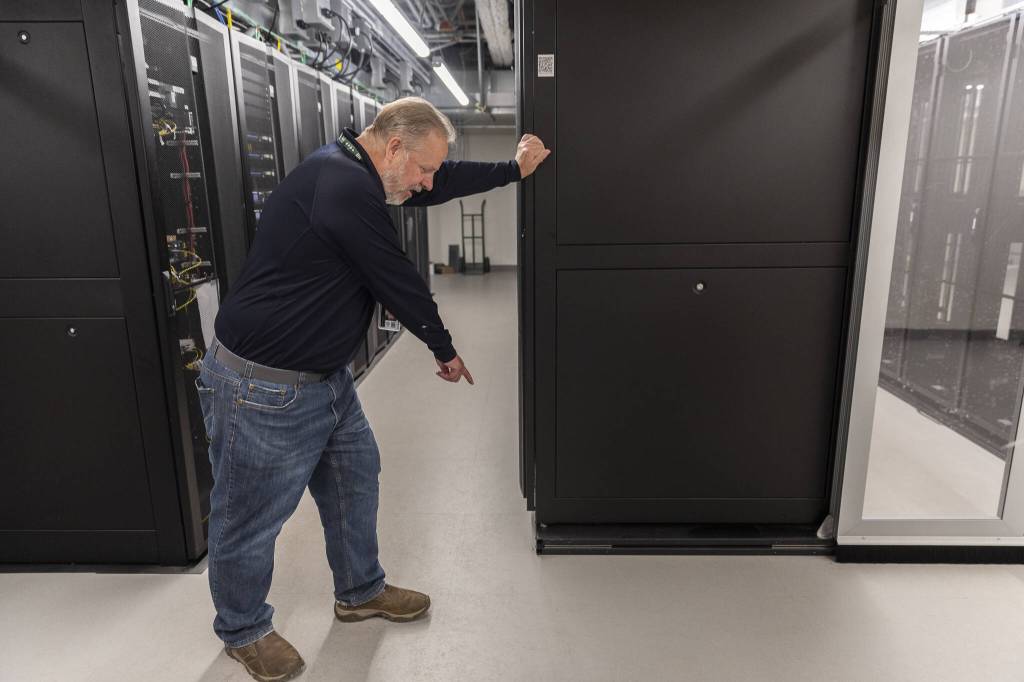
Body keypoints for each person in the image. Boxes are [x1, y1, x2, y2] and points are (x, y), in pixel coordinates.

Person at [196, 96, 551, 681]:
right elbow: (395, 277)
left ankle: (359, 591)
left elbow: (439, 182)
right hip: (262, 388)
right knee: (249, 518)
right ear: (393, 147)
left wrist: (512, 170)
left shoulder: (362, 171)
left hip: (326, 380)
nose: (427, 182)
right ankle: (243, 629)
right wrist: (443, 347)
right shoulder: (340, 186)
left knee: (354, 482)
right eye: (422, 168)